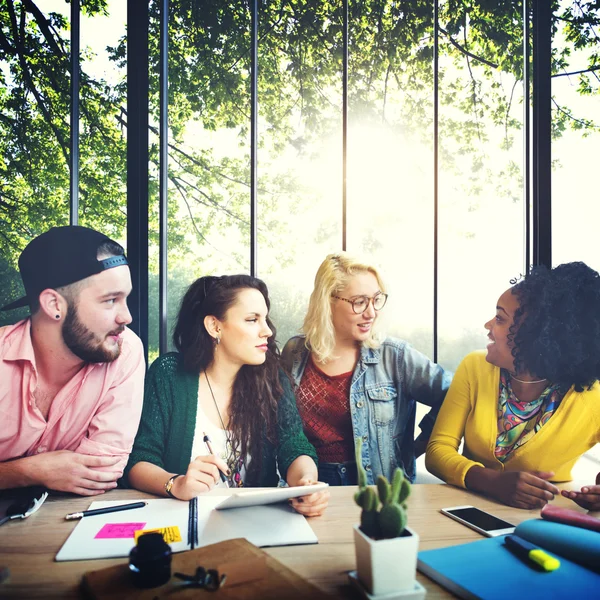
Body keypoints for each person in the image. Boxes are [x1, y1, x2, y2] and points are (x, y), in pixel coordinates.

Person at [124, 274, 329, 517]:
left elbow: (293, 446)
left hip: (255, 521)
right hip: (181, 520)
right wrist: (176, 484)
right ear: (215, 326)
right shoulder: (169, 374)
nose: (267, 331)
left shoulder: (271, 376)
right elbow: (139, 460)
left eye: (265, 318)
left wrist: (306, 483)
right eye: (252, 320)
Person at [426, 261, 600, 510]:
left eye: (499, 318)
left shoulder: (591, 398)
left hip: (543, 523)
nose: (488, 326)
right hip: (466, 513)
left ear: (537, 337)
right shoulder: (475, 368)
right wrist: (492, 482)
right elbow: (438, 451)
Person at [281, 253, 451, 486]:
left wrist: (417, 447)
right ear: (327, 301)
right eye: (359, 302)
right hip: (309, 483)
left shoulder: (396, 356)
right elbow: (283, 425)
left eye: (376, 300)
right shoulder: (295, 352)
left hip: (376, 489)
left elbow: (454, 394)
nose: (371, 312)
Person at [0, 225, 145, 496]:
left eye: (126, 298)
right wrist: (31, 471)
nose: (126, 317)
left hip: (66, 522)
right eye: (111, 300)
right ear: (54, 305)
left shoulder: (125, 351)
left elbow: (101, 472)